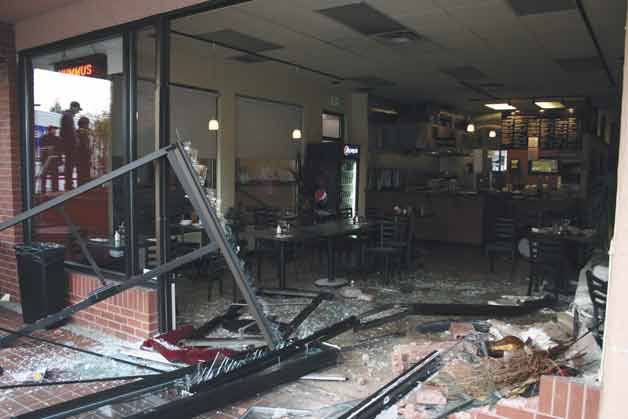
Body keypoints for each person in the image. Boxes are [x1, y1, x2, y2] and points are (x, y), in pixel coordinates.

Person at [60, 101, 82, 189]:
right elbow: (69, 132)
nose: (77, 112)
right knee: (69, 164)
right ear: (74, 107)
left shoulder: (67, 116)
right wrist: (76, 141)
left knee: (69, 164)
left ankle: (68, 183)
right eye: (77, 109)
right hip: (70, 145)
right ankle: (69, 184)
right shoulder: (68, 116)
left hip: (68, 144)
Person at [38, 126, 62, 192]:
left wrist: (60, 160)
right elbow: (41, 148)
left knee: (53, 176)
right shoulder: (44, 138)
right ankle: (45, 190)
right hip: (47, 160)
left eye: (55, 130)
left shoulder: (57, 138)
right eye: (54, 129)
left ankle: (53, 189)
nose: (55, 131)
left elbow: (59, 150)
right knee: (45, 175)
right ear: (49, 130)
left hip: (52, 160)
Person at [75, 116, 92, 185]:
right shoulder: (82, 133)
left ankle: (81, 188)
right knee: (84, 174)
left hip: (79, 157)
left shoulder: (77, 132)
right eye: (87, 124)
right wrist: (89, 153)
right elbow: (84, 145)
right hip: (83, 156)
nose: (88, 126)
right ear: (84, 124)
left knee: (80, 174)